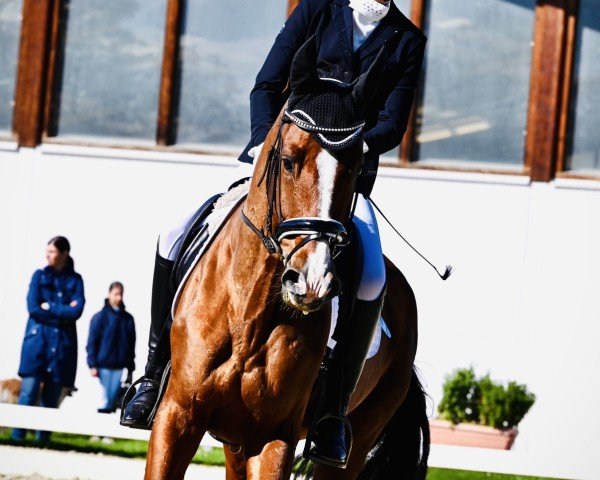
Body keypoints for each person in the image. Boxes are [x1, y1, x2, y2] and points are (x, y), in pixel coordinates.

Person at [122, 0, 425, 468]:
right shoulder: (318, 10)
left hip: (339, 179)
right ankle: (152, 373)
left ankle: (332, 415)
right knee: (175, 231)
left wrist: (343, 150)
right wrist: (267, 146)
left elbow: (392, 124)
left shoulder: (407, 40)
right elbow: (267, 83)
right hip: (280, 164)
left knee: (370, 280)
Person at [12, 236, 85, 443]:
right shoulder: (39, 276)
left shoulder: (76, 280)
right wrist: (63, 310)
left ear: (64, 253)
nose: (47, 255)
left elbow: (77, 311)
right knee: (28, 392)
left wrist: (49, 307)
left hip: (61, 347)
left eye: (52, 252)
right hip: (37, 344)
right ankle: (17, 438)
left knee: (51, 398)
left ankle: (42, 441)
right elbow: (34, 308)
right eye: (47, 251)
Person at [86, 282, 136, 413]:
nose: (119, 297)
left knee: (113, 400)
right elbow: (91, 343)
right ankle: (98, 431)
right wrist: (92, 365)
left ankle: (105, 433)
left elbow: (131, 346)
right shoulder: (99, 317)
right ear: (109, 294)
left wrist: (130, 368)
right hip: (102, 367)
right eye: (116, 294)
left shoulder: (128, 319)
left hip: (119, 366)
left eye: (121, 294)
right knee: (103, 399)